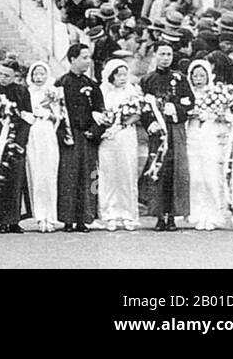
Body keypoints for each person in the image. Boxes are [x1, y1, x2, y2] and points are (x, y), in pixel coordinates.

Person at [140, 41, 194, 231]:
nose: (165, 58)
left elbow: (190, 103)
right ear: (155, 55)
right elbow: (142, 106)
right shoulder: (148, 80)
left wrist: (176, 109)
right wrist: (149, 122)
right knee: (158, 169)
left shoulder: (180, 79)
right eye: (162, 54)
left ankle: (172, 215)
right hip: (158, 132)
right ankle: (159, 215)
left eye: (169, 55)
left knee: (175, 170)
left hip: (175, 129)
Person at [56, 44, 106, 232]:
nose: (88, 61)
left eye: (89, 57)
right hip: (69, 138)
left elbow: (101, 111)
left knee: (89, 177)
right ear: (72, 59)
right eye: (84, 57)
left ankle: (85, 218)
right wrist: (63, 134)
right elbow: (57, 112)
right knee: (68, 177)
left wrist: (94, 131)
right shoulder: (61, 84)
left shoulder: (92, 85)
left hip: (87, 138)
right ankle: (67, 219)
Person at [0, 60, 32, 234]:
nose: (3, 78)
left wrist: (20, 141)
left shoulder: (22, 91)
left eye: (7, 75)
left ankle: (14, 220)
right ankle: (1, 220)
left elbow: (28, 117)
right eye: (1, 74)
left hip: (15, 139)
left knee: (15, 180)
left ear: (15, 76)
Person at [98, 59, 141, 232]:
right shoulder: (104, 93)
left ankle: (128, 215)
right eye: (118, 75)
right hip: (108, 137)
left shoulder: (132, 93)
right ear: (111, 76)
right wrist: (107, 123)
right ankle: (110, 215)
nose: (122, 78)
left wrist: (123, 124)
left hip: (126, 135)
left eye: (125, 75)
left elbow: (138, 113)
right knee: (109, 175)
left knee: (127, 173)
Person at [186, 59, 226, 231]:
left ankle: (212, 214)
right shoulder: (187, 94)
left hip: (209, 133)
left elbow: (224, 115)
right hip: (192, 133)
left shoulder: (216, 93)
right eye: (195, 76)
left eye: (202, 76)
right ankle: (197, 214)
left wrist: (210, 115)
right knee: (195, 176)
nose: (198, 79)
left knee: (210, 175)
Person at [24, 60, 61, 233]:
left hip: (47, 132)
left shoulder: (53, 92)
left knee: (49, 174)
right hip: (33, 133)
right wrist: (29, 116)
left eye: (42, 74)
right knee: (36, 173)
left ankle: (50, 216)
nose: (39, 77)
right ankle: (39, 216)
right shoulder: (26, 92)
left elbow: (59, 116)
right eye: (36, 74)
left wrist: (48, 115)